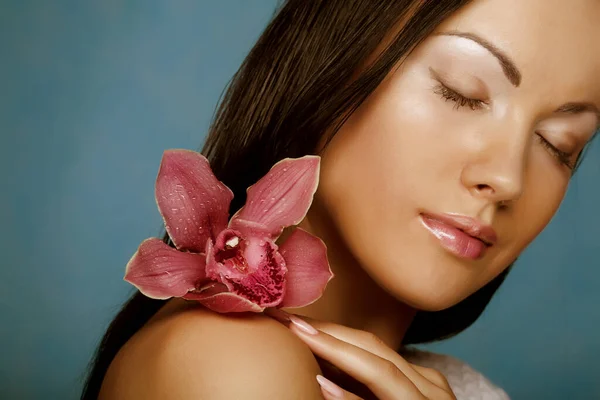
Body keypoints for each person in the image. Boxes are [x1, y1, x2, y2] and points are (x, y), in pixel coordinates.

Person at [81, 0, 600, 398]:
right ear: (332, 59)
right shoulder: (231, 366)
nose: (508, 179)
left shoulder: (439, 381)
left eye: (559, 144)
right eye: (460, 91)